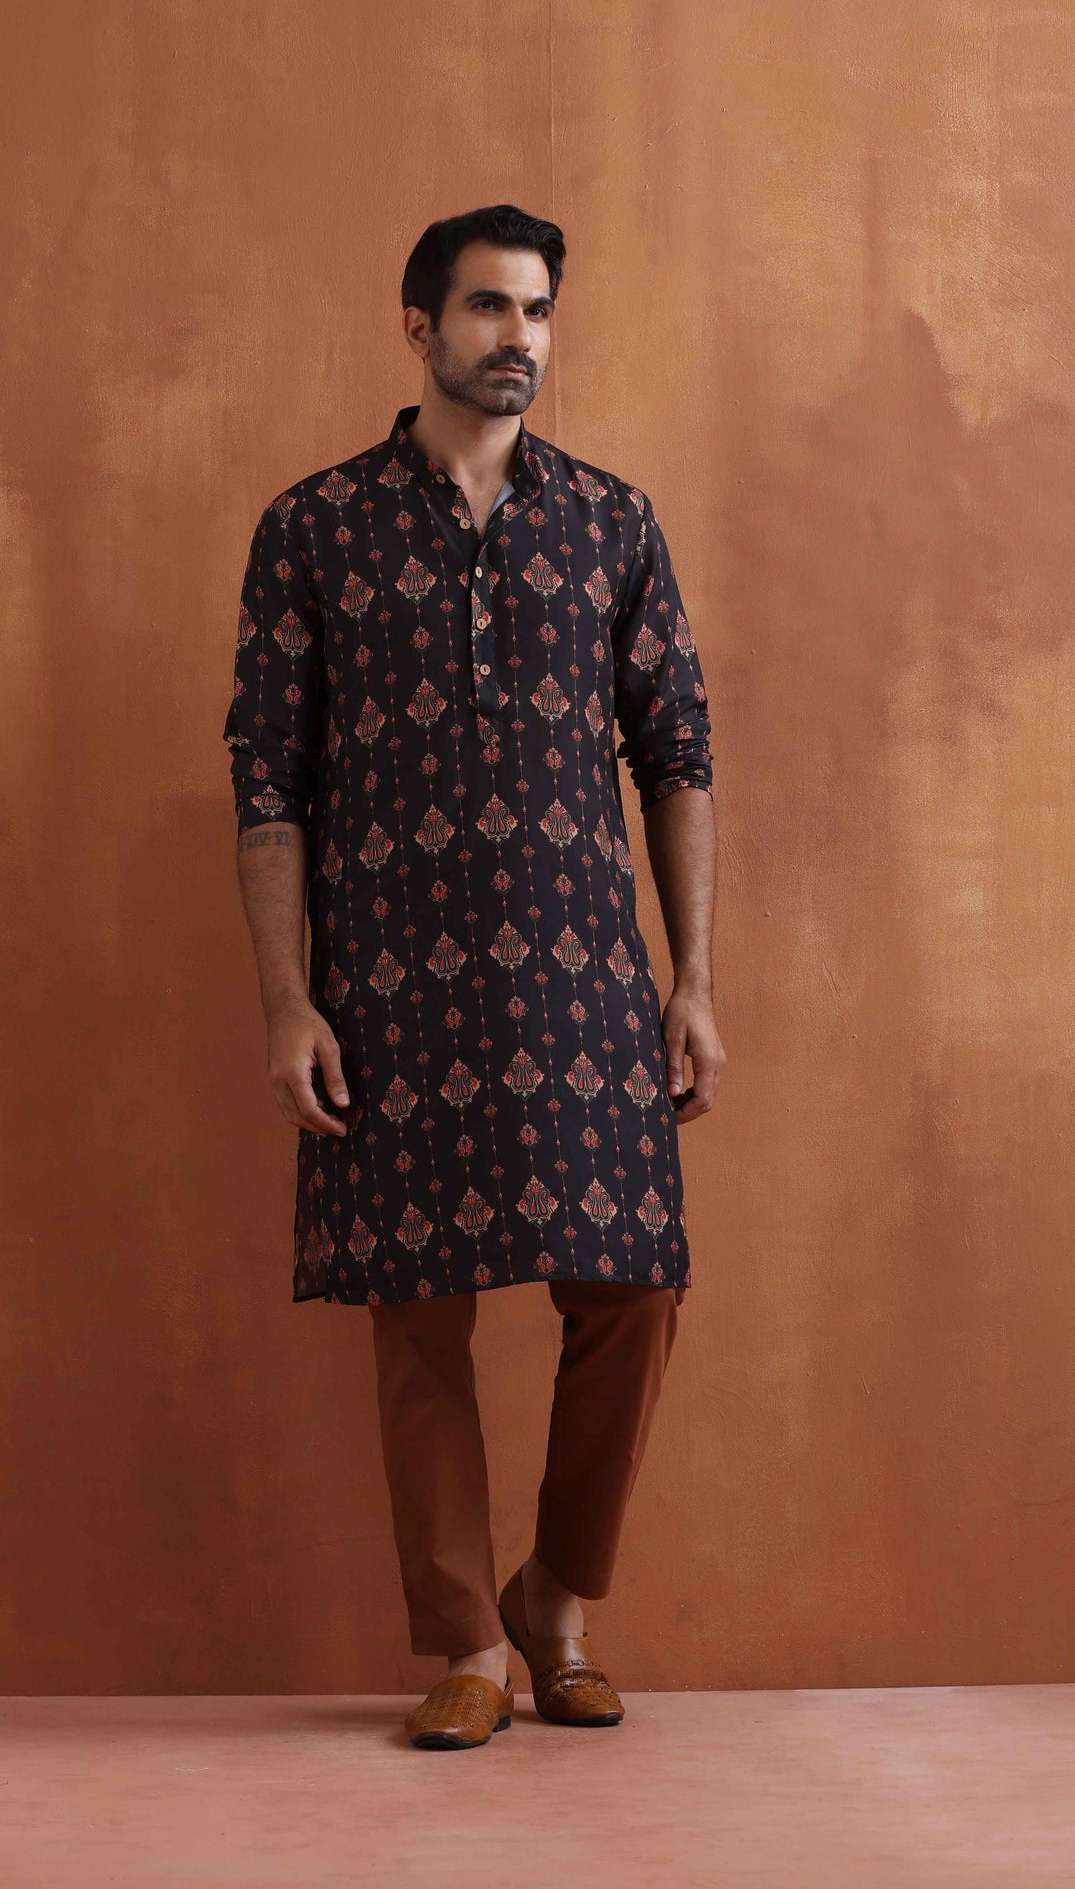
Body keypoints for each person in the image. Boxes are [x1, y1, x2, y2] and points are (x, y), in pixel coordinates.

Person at [223, 202, 723, 1749]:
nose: (520, 337)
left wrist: (693, 978)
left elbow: (677, 755)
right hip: (391, 978)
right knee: (417, 1312)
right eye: (491, 308)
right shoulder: (315, 527)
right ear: (419, 328)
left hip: (584, 979)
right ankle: (468, 1645)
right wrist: (289, 1000)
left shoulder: (612, 522)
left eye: (538, 311)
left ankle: (555, 1601)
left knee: (633, 1285)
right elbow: (267, 778)